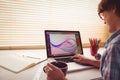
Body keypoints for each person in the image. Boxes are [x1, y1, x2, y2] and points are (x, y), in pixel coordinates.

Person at [44, 0, 120, 80]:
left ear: (113, 8)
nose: (104, 21)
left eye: (102, 14)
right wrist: (88, 61)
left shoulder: (115, 46)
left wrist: (61, 79)